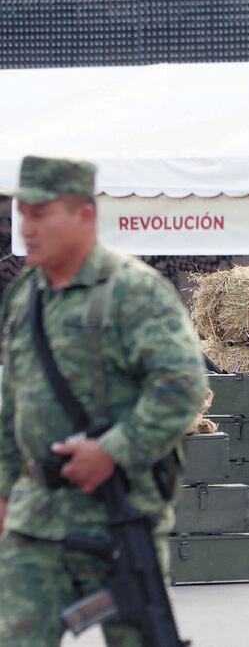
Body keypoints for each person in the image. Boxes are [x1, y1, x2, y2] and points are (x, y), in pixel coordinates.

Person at [0, 156, 208, 645]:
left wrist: (112, 450)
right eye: (22, 213)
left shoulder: (133, 291)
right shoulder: (25, 296)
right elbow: (12, 404)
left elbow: (182, 386)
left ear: (84, 216)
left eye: (41, 214)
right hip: (37, 517)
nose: (26, 228)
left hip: (117, 514)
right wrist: (5, 491)